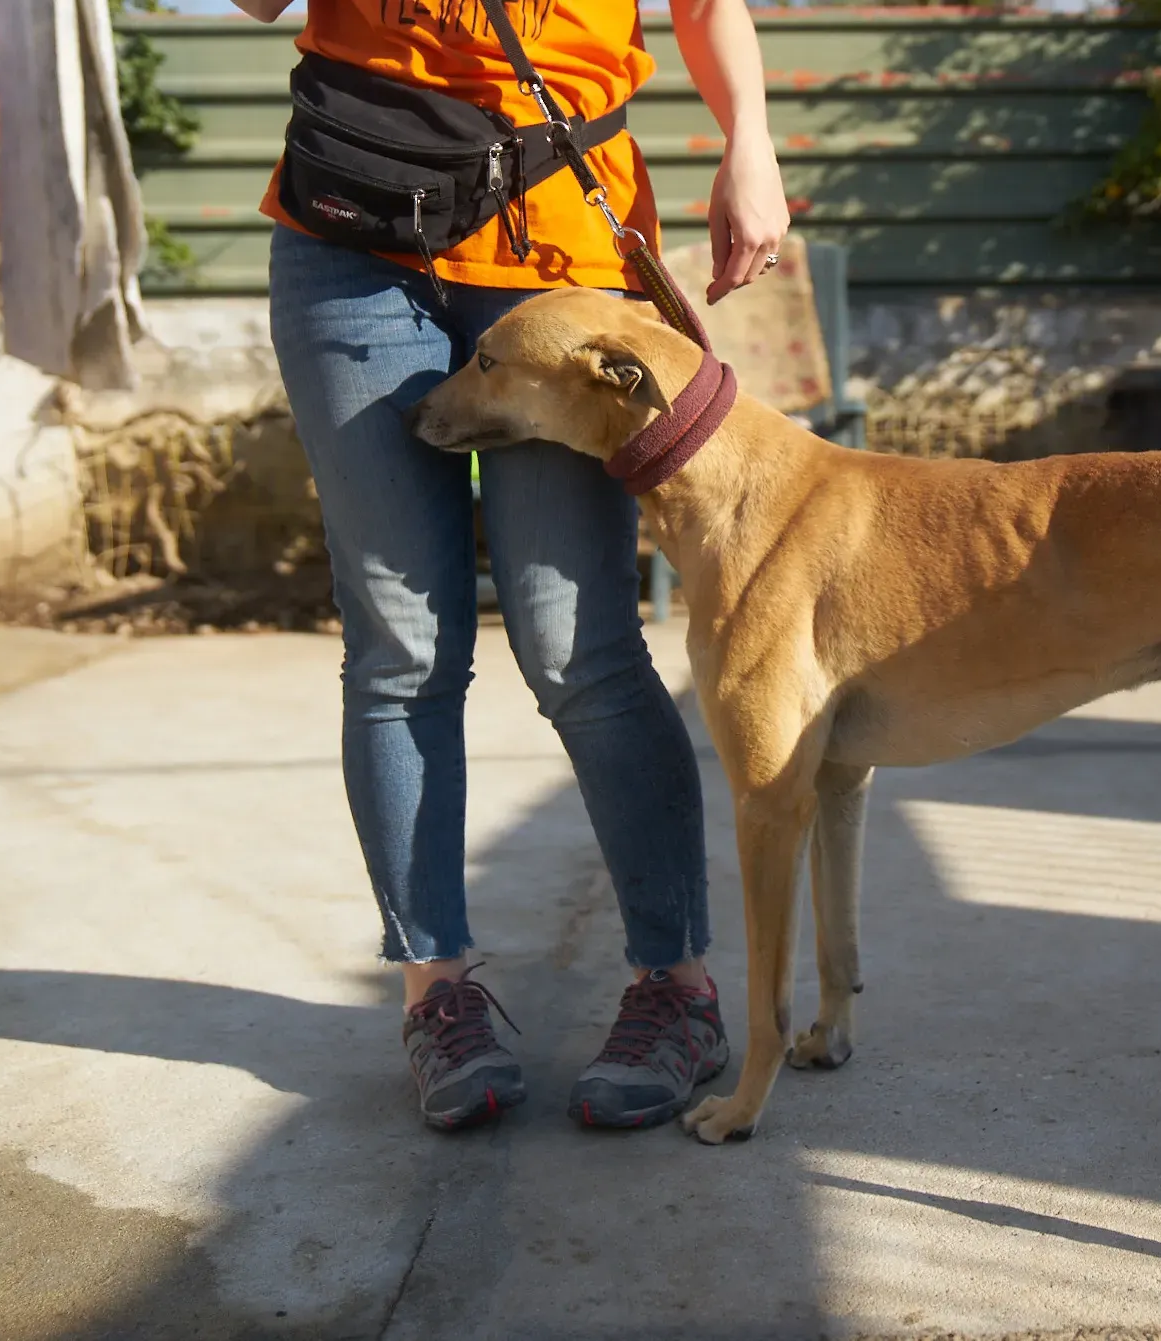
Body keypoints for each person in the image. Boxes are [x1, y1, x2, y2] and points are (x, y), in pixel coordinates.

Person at [231, 0, 787, 1131]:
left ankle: (676, 985)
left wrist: (751, 141)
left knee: (578, 647)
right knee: (398, 646)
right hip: (350, 242)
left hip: (557, 248)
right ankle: (435, 990)